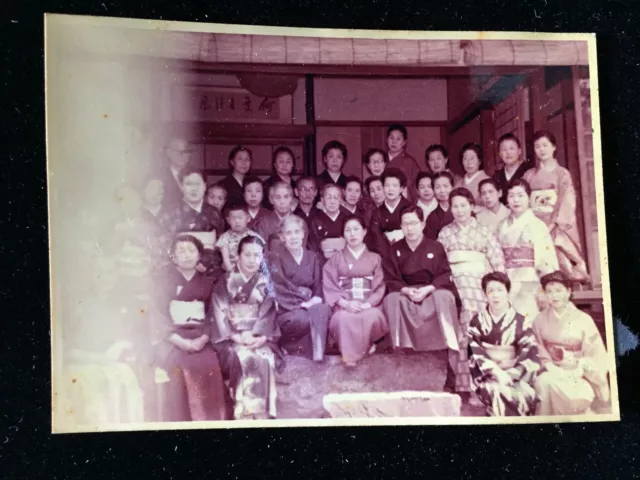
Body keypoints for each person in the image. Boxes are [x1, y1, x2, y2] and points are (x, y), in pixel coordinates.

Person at [381, 206, 467, 396]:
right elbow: (391, 278)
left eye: (413, 223)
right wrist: (406, 290)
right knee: (392, 299)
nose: (409, 228)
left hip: (431, 291)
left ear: (422, 224)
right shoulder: (395, 248)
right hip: (406, 293)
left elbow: (445, 274)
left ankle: (448, 341)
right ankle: (400, 344)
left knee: (445, 297)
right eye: (405, 224)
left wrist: (429, 288)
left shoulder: (435, 247)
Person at [61, 255, 148, 426]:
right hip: (84, 364)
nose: (104, 278)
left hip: (117, 364)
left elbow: (137, 338)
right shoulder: (78, 304)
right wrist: (97, 359)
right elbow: (67, 348)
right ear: (90, 276)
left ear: (116, 274)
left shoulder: (126, 302)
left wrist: (121, 344)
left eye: (109, 272)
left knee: (124, 378)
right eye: (98, 273)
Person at [437, 187, 506, 402]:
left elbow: (497, 262)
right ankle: (461, 384)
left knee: (474, 323)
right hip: (454, 284)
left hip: (479, 285)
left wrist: (497, 289)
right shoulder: (445, 233)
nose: (459, 210)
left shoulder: (484, 231)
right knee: (458, 323)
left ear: (472, 206)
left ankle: (480, 384)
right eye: (455, 206)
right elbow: (439, 265)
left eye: (463, 205)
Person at [152, 235, 230, 422]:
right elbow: (157, 316)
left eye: (191, 250)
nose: (186, 255)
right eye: (181, 251)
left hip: (201, 335)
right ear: (173, 256)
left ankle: (211, 420)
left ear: (199, 255)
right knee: (178, 366)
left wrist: (202, 339)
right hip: (172, 338)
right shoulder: (162, 283)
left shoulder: (209, 282)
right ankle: (180, 422)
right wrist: (181, 342)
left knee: (209, 364)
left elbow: (214, 314)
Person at [210, 235, 281, 420]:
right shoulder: (225, 282)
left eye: (257, 256)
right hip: (232, 339)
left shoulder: (265, 283)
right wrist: (236, 337)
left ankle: (263, 414)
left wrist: (262, 337)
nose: (252, 260)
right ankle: (243, 413)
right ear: (238, 256)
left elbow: (269, 313)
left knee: (265, 357)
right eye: (247, 255)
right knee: (242, 355)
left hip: (257, 337)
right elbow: (219, 312)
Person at [533, 271, 610, 415]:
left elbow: (595, 353)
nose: (554, 296)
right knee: (544, 383)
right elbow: (538, 348)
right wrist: (549, 366)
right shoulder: (539, 320)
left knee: (575, 396)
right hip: (552, 371)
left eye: (558, 291)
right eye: (549, 291)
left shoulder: (583, 319)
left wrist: (581, 367)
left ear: (568, 292)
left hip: (579, 373)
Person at [468, 272, 541, 416]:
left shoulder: (521, 321)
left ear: (507, 292)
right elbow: (474, 353)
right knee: (496, 391)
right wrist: (496, 373)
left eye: (500, 290)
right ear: (485, 294)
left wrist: (513, 374)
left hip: (516, 375)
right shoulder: (476, 322)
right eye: (490, 291)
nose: (495, 295)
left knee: (525, 394)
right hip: (487, 376)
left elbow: (529, 351)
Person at [523, 130, 589, 283]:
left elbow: (566, 201)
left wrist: (552, 224)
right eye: (537, 146)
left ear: (554, 147)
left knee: (560, 263)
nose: (542, 149)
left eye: (545, 145)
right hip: (535, 225)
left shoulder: (562, 173)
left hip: (555, 225)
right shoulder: (529, 175)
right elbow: (523, 201)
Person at [322, 216, 388, 367]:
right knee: (341, 319)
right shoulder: (335, 259)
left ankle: (364, 345)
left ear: (364, 232)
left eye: (356, 229)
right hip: (345, 304)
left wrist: (367, 304)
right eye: (348, 230)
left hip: (369, 304)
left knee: (373, 316)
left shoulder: (375, 258)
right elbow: (329, 284)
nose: (352, 234)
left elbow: (379, 287)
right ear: (343, 235)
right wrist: (345, 303)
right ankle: (353, 355)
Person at [497, 179, 559, 322]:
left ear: (529, 198)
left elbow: (546, 259)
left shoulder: (537, 225)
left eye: (520, 195)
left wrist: (547, 286)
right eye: (511, 195)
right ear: (506, 198)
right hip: (507, 279)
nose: (516, 200)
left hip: (530, 280)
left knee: (528, 322)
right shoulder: (501, 226)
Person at [269, 215, 330, 362]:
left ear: (303, 234)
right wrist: (302, 302)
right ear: (282, 237)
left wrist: (314, 299)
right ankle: (286, 343)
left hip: (309, 303)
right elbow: (279, 285)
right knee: (302, 318)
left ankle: (317, 351)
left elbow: (318, 284)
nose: (293, 237)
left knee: (323, 310)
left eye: (297, 232)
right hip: (287, 308)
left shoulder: (312, 256)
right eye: (288, 233)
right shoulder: (274, 257)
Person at [368, 167, 413, 256]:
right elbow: (377, 239)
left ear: (402, 188)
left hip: (409, 253)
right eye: (387, 185)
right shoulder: (377, 213)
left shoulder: (411, 208)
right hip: (386, 256)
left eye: (395, 185)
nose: (390, 189)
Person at [216, 204, 264, 272]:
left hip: (251, 271)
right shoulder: (225, 237)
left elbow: (260, 257)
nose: (237, 221)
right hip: (231, 271)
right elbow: (226, 259)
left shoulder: (254, 236)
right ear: (228, 220)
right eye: (233, 218)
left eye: (240, 218)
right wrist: (232, 274)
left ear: (248, 218)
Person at [309, 184, 349, 259]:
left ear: (340, 200)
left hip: (345, 262)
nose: (332, 201)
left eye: (336, 197)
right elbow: (314, 247)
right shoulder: (316, 220)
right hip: (323, 263)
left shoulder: (347, 219)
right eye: (328, 197)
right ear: (322, 200)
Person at [253, 182, 296, 251]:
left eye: (286, 197)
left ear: (291, 198)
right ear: (271, 200)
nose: (282, 202)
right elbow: (260, 250)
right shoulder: (263, 223)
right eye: (278, 197)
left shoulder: (299, 222)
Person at [492, 133, 532, 205]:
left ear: (519, 151)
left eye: (512, 148)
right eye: (504, 150)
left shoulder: (529, 171)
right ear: (500, 154)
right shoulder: (496, 176)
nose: (508, 152)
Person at [156, 137, 194, 209]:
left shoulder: (196, 176)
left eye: (185, 151)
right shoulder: (159, 176)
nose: (182, 155)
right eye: (177, 151)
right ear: (168, 153)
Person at [386, 123, 420, 201]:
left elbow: (416, 187)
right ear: (387, 140)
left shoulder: (410, 162)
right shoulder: (382, 160)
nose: (394, 142)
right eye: (391, 138)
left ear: (404, 142)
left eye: (398, 139)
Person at [454, 143, 490, 207]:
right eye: (465, 159)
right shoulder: (458, 184)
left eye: (472, 158)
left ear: (479, 161)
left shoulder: (488, 181)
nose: (469, 162)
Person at [263, 146, 298, 210]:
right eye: (281, 161)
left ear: (293, 165)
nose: (285, 165)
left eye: (288, 162)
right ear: (275, 164)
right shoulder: (267, 184)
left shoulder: (296, 185)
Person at [425, 171, 454, 240]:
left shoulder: (463, 209)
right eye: (437, 187)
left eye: (446, 186)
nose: (442, 190)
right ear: (433, 190)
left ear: (452, 187)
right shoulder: (432, 217)